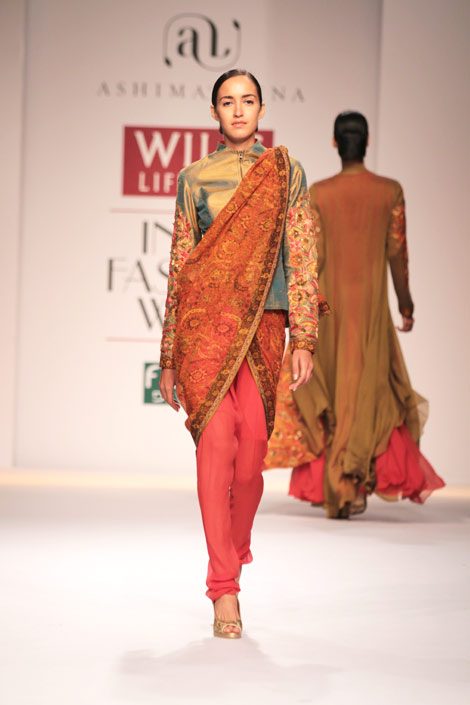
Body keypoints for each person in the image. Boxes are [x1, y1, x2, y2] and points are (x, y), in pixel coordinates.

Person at [159, 69, 326, 637]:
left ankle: (231, 548)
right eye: (227, 102)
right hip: (205, 329)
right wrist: (169, 355)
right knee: (215, 448)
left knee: (252, 455)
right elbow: (181, 266)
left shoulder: (285, 172)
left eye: (247, 100)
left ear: (261, 109)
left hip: (264, 327)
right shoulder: (193, 179)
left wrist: (305, 335)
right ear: (214, 112)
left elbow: (301, 253)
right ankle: (223, 589)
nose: (237, 110)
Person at [264, 111, 444, 519]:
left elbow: (311, 258)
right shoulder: (389, 192)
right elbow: (397, 253)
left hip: (328, 310)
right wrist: (406, 303)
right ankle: (352, 484)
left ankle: (338, 485)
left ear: (335, 143)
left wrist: (298, 309)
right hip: (370, 311)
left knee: (331, 393)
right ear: (366, 143)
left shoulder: (320, 194)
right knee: (366, 392)